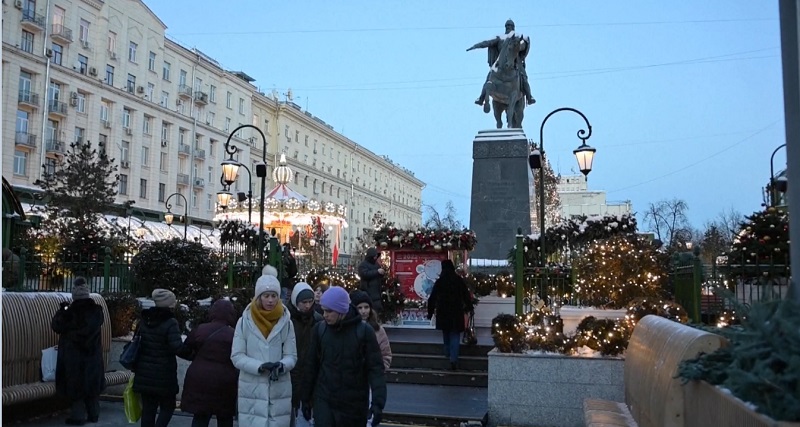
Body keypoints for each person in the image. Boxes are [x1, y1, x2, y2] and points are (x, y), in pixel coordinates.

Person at [300, 286, 387, 426]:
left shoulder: (364, 332)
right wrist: (306, 398)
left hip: (353, 404)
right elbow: (311, 366)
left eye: (329, 311)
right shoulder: (320, 330)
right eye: (323, 310)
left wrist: (378, 403)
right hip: (324, 400)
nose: (325, 315)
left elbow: (375, 369)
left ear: (341, 310)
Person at [231, 274, 298, 427]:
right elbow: (237, 356)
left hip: (279, 390)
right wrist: (259, 366)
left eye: (274, 296)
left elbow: (291, 355)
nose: (270, 300)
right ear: (259, 297)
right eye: (266, 296)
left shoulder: (287, 322)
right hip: (252, 391)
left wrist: (282, 365)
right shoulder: (244, 322)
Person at [50, 278, 105, 425]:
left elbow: (56, 326)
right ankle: (94, 414)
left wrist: (62, 310)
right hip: (92, 356)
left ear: (74, 295)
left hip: (73, 357)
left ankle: (78, 416)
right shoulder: (96, 311)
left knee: (75, 387)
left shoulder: (70, 312)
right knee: (92, 387)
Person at [179, 299, 239, 427]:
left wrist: (196, 358)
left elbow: (185, 349)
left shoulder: (200, 329)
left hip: (199, 378)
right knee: (225, 417)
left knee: (200, 416)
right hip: (225, 380)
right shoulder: (234, 334)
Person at [133, 289, 185, 427]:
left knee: (148, 409)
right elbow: (177, 347)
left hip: (144, 372)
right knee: (168, 406)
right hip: (164, 374)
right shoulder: (171, 322)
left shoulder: (145, 319)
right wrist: (193, 354)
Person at [467, 19, 535, 107]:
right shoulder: (500, 38)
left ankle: (529, 97)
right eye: (507, 26)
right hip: (500, 63)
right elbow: (487, 43)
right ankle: (482, 98)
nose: (508, 27)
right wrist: (476, 46)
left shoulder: (517, 37)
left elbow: (524, 44)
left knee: (523, 77)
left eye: (510, 26)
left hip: (515, 62)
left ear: (513, 27)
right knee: (489, 76)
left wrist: (519, 45)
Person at [427, 260, 475, 371]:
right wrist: (470, 308)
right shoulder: (458, 280)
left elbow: (432, 298)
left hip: (443, 312)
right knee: (455, 335)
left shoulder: (440, 282)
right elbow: (466, 295)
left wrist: (430, 312)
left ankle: (447, 352)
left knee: (446, 333)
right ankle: (454, 359)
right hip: (456, 312)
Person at [288, 282, 323, 427]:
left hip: (310, 372)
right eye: (304, 302)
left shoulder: (318, 320)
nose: (307, 306)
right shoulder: (287, 319)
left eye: (310, 301)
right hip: (291, 371)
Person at [350, 290, 392, 371]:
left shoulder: (378, 330)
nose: (363, 311)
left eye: (366, 307)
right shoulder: (349, 328)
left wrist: (379, 370)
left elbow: (386, 355)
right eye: (359, 308)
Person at [358, 248, 385, 313]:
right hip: (368, 293)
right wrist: (377, 272)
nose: (375, 258)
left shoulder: (376, 264)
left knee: (377, 311)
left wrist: (382, 273)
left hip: (377, 293)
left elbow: (379, 274)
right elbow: (364, 274)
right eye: (374, 256)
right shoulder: (363, 265)